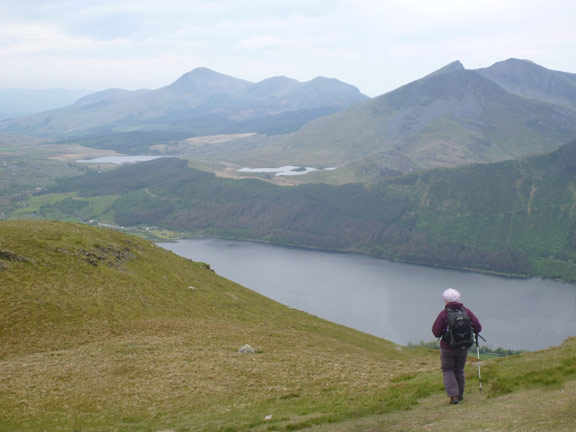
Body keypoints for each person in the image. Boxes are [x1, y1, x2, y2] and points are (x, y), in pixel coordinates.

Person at [432, 288, 482, 405]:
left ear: (446, 301)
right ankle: (460, 395)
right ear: (458, 299)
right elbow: (478, 328)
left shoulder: (444, 314)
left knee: (448, 370)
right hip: (463, 347)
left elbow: (436, 332)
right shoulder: (467, 312)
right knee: (459, 370)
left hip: (447, 348)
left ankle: (453, 396)